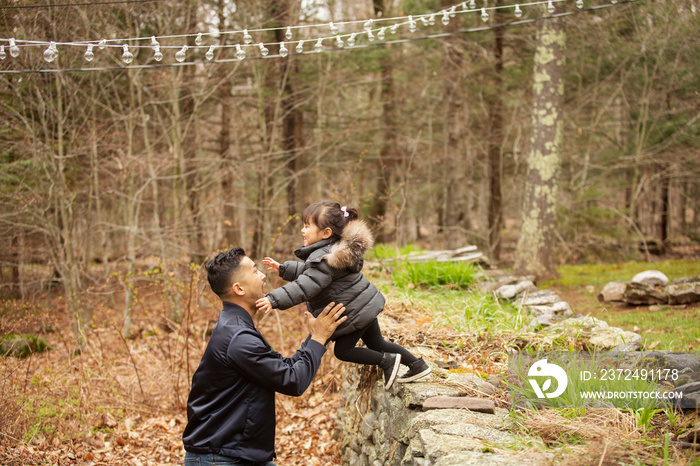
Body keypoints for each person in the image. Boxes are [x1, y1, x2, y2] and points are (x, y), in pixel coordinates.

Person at [182, 247, 347, 466]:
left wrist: (315, 336)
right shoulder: (239, 337)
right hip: (221, 459)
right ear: (238, 288)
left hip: (233, 454)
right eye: (254, 270)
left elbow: (283, 368)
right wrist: (318, 338)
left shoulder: (236, 327)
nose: (262, 276)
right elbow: (293, 381)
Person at [255, 201, 431, 391]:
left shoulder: (324, 258)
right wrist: (283, 268)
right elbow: (309, 272)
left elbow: (305, 285)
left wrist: (273, 299)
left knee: (343, 351)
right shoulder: (333, 251)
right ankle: (417, 365)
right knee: (377, 342)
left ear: (326, 233)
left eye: (307, 226)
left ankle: (387, 361)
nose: (302, 230)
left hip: (353, 310)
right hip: (362, 305)